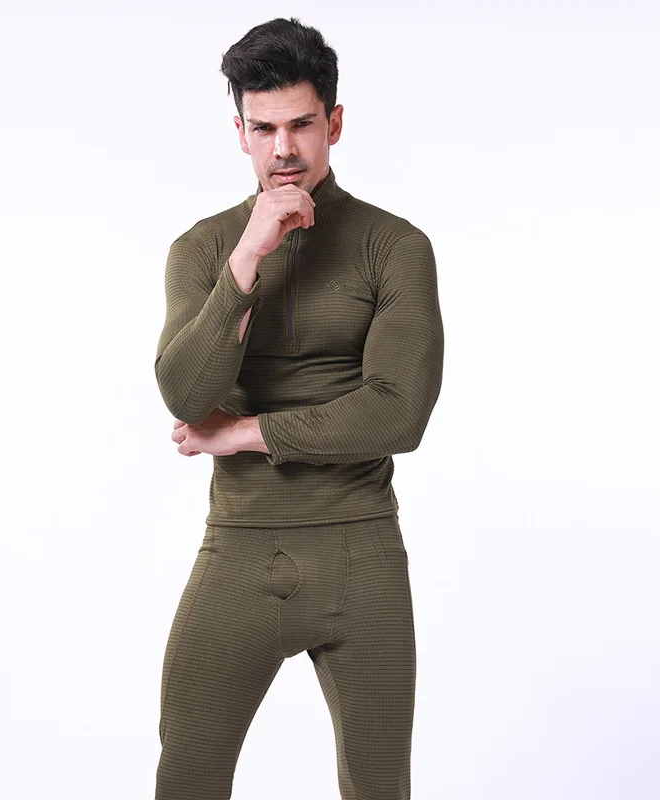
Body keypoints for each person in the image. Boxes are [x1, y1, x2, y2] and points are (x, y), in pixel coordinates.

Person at [153, 16, 444, 800]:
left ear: (334, 123)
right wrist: (248, 257)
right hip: (238, 552)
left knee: (379, 786)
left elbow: (398, 414)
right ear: (240, 133)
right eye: (265, 128)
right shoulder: (203, 250)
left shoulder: (395, 247)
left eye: (302, 125)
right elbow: (186, 395)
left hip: (362, 553)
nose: (284, 149)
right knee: (186, 777)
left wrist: (244, 432)